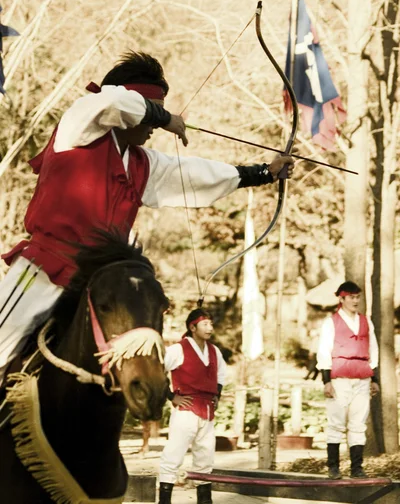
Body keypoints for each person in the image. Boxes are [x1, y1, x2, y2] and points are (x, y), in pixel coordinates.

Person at [0, 51, 294, 385]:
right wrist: (165, 117)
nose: (155, 127)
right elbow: (111, 100)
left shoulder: (142, 163)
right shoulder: (80, 127)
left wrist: (263, 172)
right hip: (45, 271)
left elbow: (198, 174)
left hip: (101, 287)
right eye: (152, 114)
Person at [158, 309, 225, 504]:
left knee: (205, 457)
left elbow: (220, 375)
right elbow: (157, 370)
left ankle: (204, 502)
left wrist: (217, 395)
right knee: (174, 454)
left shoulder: (214, 351)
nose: (210, 328)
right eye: (205, 324)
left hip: (207, 410)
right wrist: (171, 396)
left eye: (211, 324)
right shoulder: (178, 349)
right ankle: (164, 502)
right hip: (186, 409)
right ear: (192, 327)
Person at [316, 281, 380, 479]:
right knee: (336, 423)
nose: (355, 301)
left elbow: (373, 350)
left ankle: (357, 468)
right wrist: (326, 381)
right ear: (341, 298)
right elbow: (324, 351)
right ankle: (333, 467)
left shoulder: (365, 321)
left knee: (358, 424)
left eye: (357, 297)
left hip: (361, 377)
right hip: (339, 378)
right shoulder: (331, 322)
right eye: (351, 297)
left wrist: (374, 379)